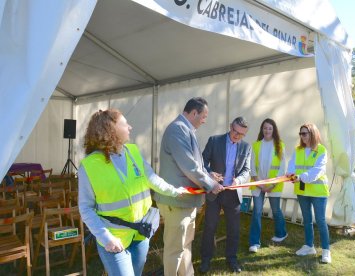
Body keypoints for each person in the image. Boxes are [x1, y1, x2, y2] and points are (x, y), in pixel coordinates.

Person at [78, 109, 187, 276]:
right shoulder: (89, 165)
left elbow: (152, 178)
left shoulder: (133, 152)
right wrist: (106, 238)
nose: (130, 127)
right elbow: (86, 208)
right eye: (124, 124)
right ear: (110, 130)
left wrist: (174, 191)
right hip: (114, 237)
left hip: (140, 233)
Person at [153, 97, 223, 276]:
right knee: (175, 250)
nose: (204, 120)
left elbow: (194, 165)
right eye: (204, 116)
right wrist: (211, 184)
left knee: (185, 246)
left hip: (186, 202)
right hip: (177, 201)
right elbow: (189, 166)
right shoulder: (178, 130)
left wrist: (208, 175)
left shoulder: (185, 129)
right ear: (194, 113)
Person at [199, 117, 251, 274]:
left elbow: (246, 170)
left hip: (232, 193)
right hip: (214, 191)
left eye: (241, 134)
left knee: (234, 229)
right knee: (209, 226)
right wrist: (210, 174)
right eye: (235, 131)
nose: (236, 135)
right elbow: (202, 162)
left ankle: (232, 259)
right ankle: (205, 259)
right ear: (230, 127)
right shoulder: (214, 141)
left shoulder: (246, 147)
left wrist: (239, 180)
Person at [286, 123, 331, 264]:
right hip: (302, 190)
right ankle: (309, 246)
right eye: (300, 134)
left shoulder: (321, 150)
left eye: (304, 133)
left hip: (318, 192)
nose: (302, 136)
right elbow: (292, 165)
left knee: (320, 220)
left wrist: (300, 177)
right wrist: (290, 174)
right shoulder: (298, 150)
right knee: (306, 220)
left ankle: (326, 251)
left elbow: (318, 171)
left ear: (313, 133)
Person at [248, 118, 287, 253]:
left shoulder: (280, 145)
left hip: (273, 185)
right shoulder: (256, 145)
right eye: (265, 128)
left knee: (275, 210)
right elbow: (252, 167)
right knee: (257, 212)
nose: (267, 130)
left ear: (274, 130)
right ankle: (254, 242)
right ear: (262, 129)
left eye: (270, 128)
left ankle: (281, 233)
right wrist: (260, 184)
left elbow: (282, 169)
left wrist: (271, 185)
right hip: (258, 184)